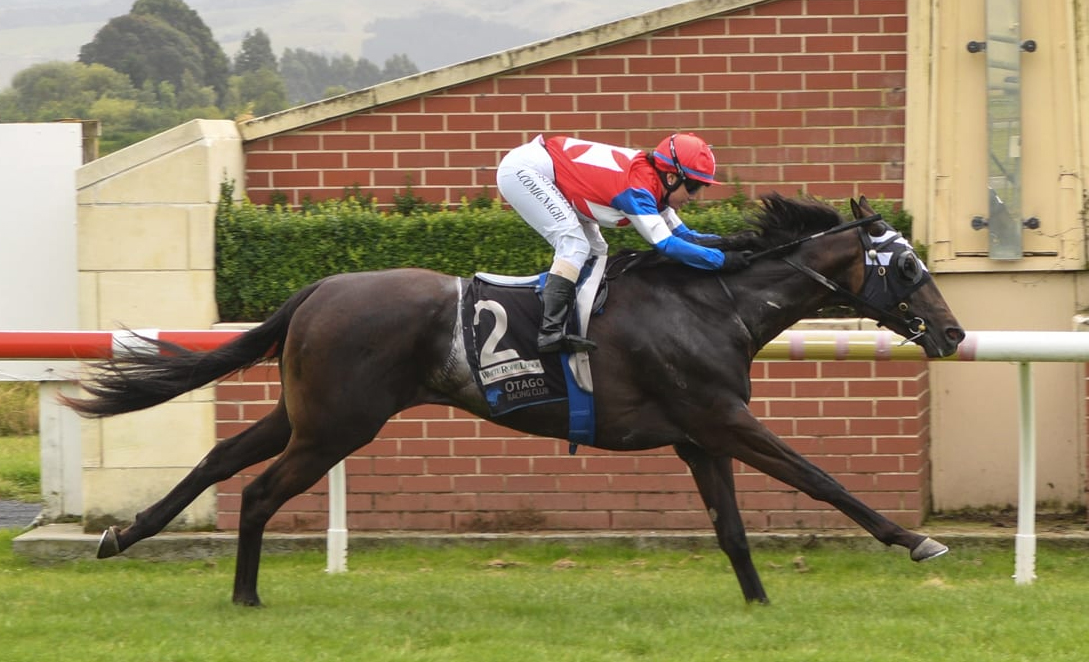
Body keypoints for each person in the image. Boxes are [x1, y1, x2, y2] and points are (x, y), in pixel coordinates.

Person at [496, 132, 751, 354]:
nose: (695, 197)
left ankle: (578, 321)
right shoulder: (638, 189)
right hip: (525, 171)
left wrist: (734, 243)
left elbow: (686, 236)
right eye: (694, 187)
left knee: (597, 250)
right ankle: (549, 332)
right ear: (672, 178)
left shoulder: (653, 184)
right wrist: (721, 262)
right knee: (574, 244)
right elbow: (666, 245)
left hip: (544, 168)